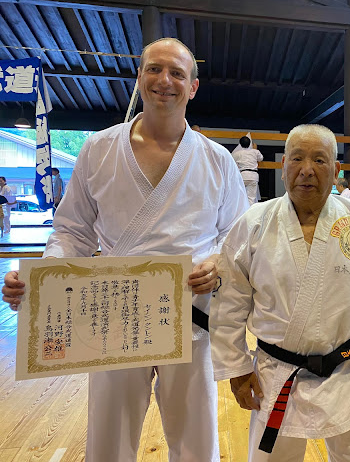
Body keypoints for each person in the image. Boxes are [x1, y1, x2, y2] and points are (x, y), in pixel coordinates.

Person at [2, 37, 249, 462]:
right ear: (138, 77)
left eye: (177, 73)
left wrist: (217, 263)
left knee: (196, 440)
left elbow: (238, 235)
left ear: (193, 87)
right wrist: (42, 279)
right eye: (154, 69)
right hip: (114, 311)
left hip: (191, 313)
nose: (164, 80)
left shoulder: (216, 160)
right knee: (108, 440)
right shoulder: (99, 148)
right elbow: (72, 230)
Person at [210, 124, 350, 461]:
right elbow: (228, 303)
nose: (307, 169)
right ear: (283, 166)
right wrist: (236, 368)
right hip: (275, 376)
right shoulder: (253, 224)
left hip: (347, 373)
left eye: (319, 160)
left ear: (335, 171)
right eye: (297, 159)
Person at [232, 134, 264, 205]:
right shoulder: (255, 152)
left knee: (239, 196)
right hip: (253, 176)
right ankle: (250, 211)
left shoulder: (236, 154)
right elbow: (261, 158)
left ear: (240, 144)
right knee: (251, 198)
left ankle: (240, 210)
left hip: (242, 175)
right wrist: (255, 149)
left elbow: (233, 163)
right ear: (250, 144)